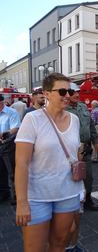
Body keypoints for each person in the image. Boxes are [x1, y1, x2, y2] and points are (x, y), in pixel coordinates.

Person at [14, 73, 84, 251]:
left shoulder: (74, 120)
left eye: (69, 91)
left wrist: (81, 188)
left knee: (60, 244)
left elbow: (75, 154)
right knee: (34, 248)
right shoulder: (32, 119)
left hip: (68, 193)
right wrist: (22, 202)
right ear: (46, 94)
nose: (67, 95)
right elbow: (21, 163)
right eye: (62, 91)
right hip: (37, 196)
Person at [67, 82, 98, 211]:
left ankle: (88, 199)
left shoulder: (83, 107)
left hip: (85, 148)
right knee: (70, 176)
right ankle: (70, 201)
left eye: (78, 92)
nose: (76, 94)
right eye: (73, 92)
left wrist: (95, 141)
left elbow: (91, 124)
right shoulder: (63, 110)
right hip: (71, 149)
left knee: (88, 176)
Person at [0, 94, 21, 205]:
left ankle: (17, 195)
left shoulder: (11, 112)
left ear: (2, 102)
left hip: (8, 146)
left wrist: (5, 133)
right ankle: (4, 193)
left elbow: (16, 128)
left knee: (12, 172)